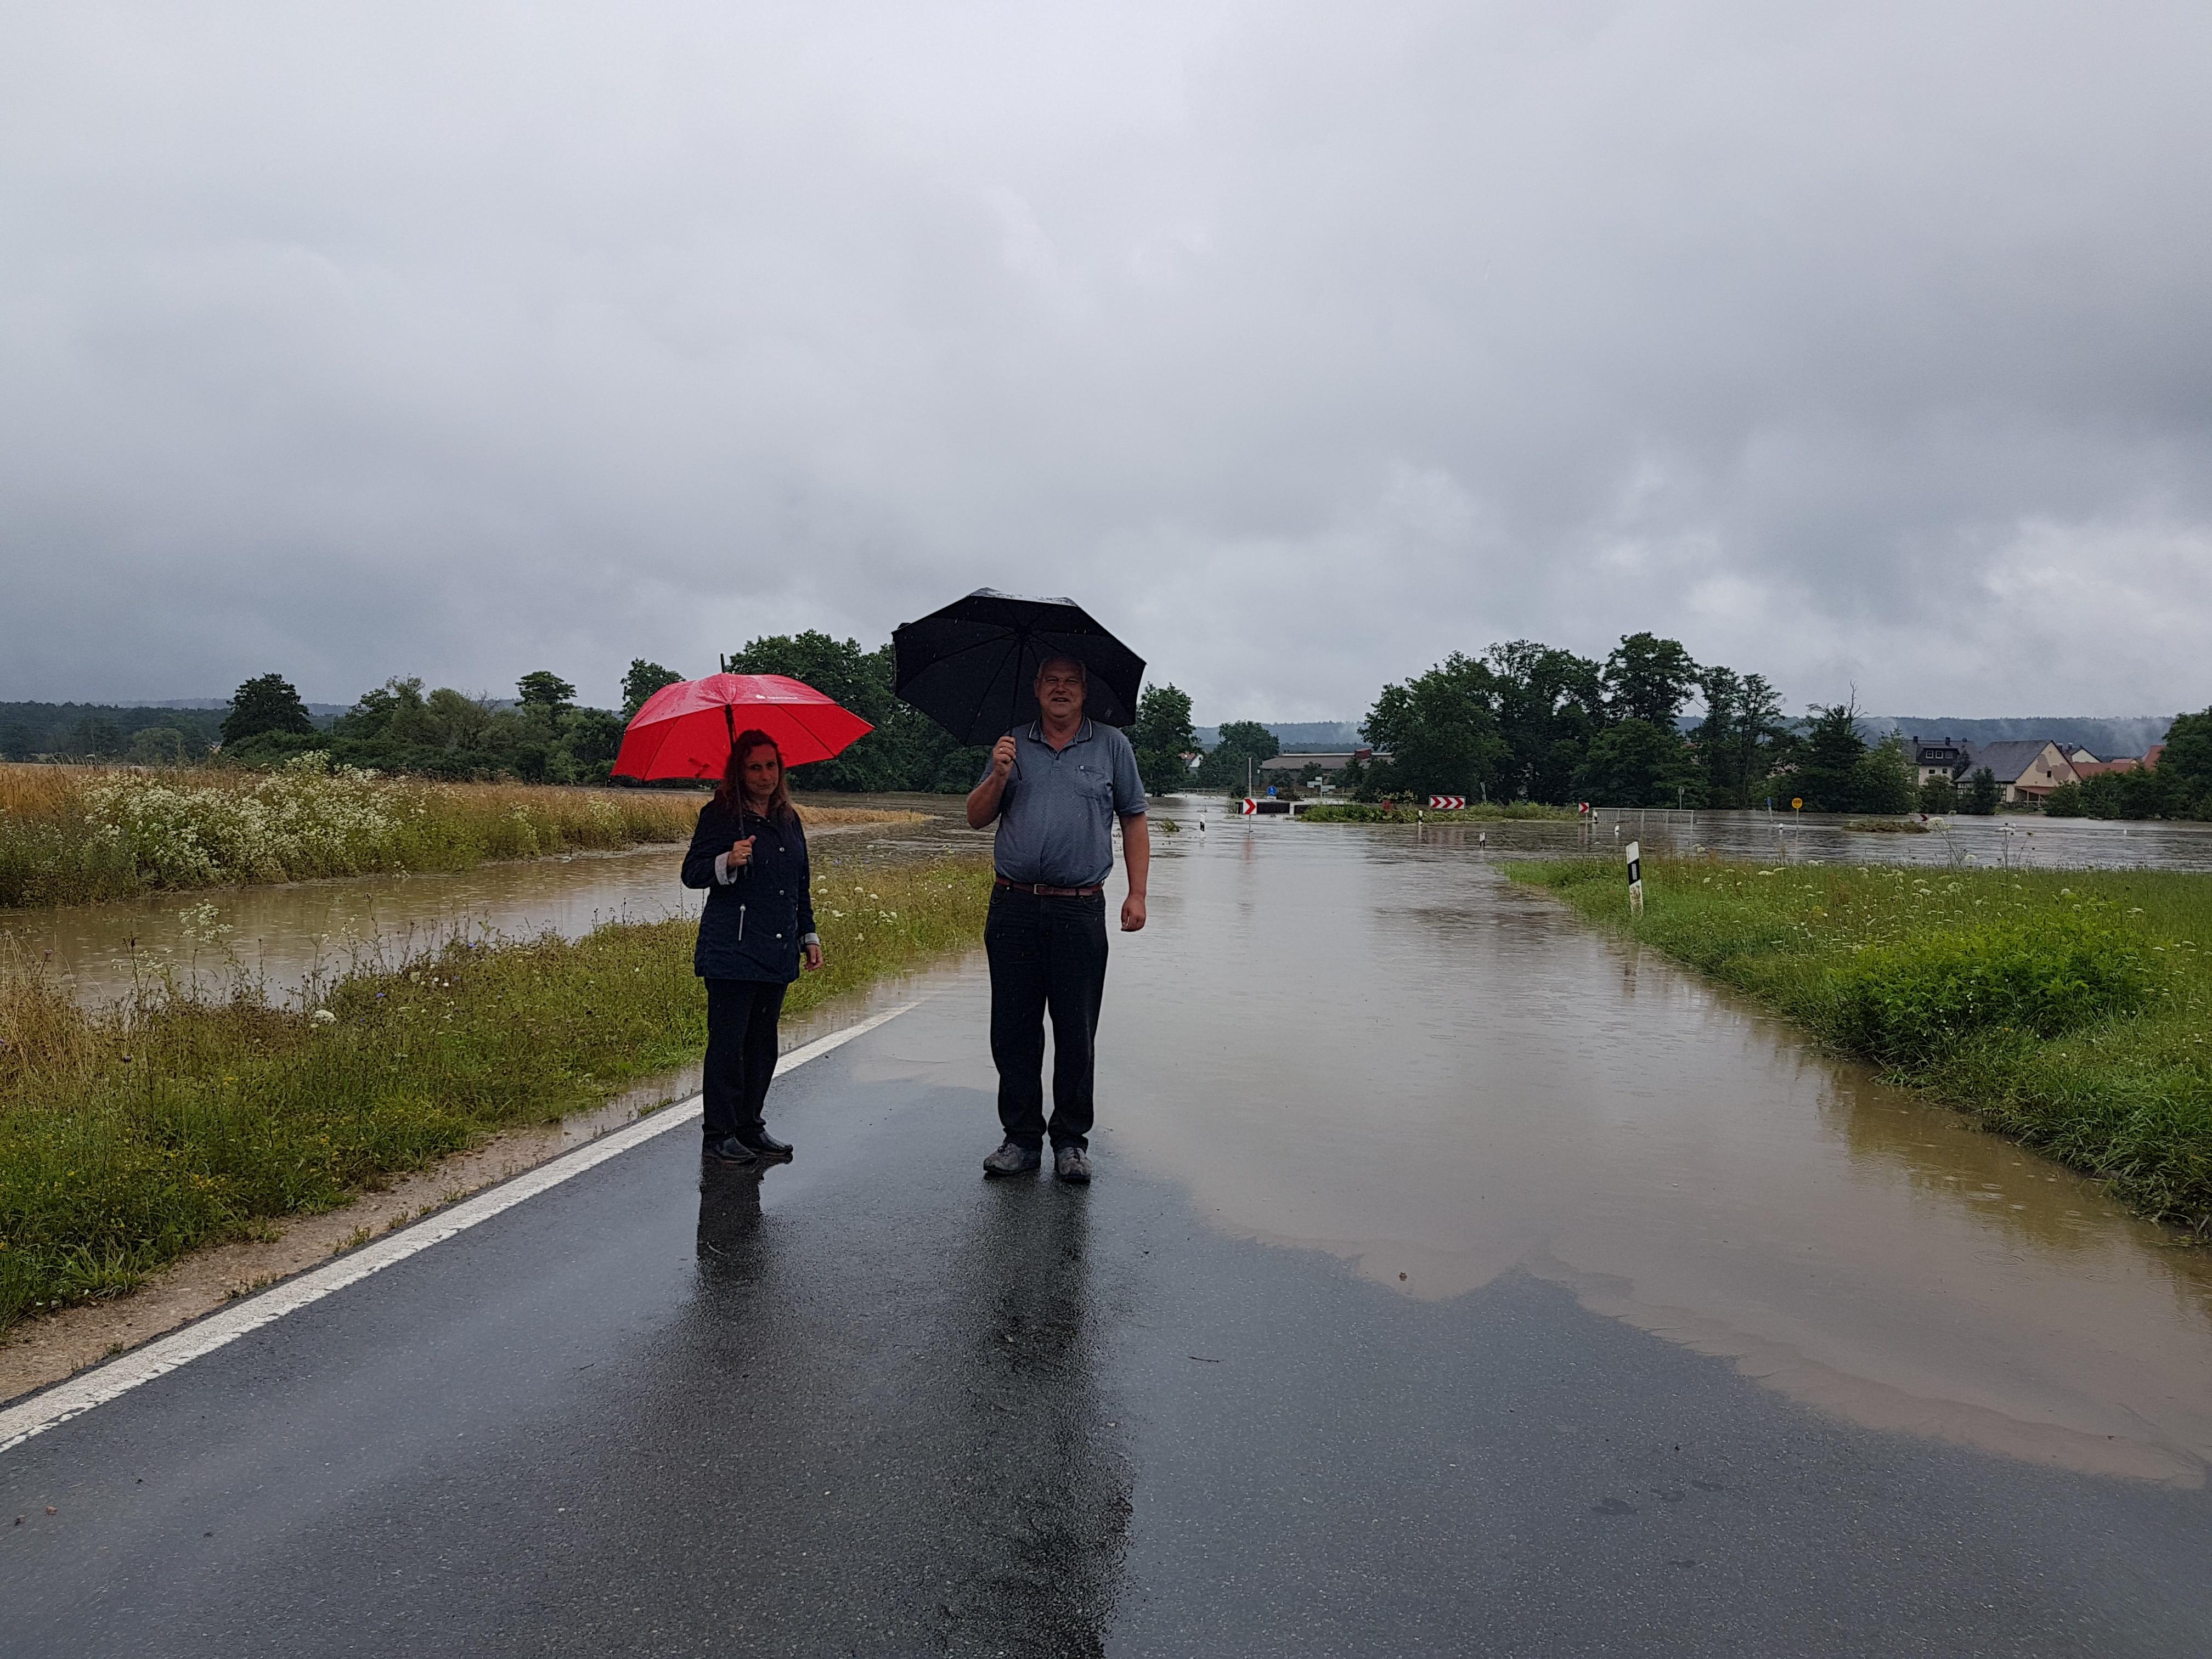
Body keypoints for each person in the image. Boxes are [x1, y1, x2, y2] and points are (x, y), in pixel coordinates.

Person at [966, 655, 1149, 1184]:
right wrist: (999, 775)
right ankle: (1020, 1139)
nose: (1061, 690)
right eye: (1052, 681)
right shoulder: (1011, 744)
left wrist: (1138, 894)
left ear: (1085, 691)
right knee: (1014, 1029)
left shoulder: (1112, 745)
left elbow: (1134, 819)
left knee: (1076, 1031)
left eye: (1071, 682)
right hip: (1014, 906)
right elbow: (977, 817)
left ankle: (1070, 1140)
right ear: (1037, 689)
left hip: (1080, 907)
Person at [681, 729, 823, 1166]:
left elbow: (799, 881)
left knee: (763, 1044)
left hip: (777, 947)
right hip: (732, 949)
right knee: (729, 1044)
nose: (764, 775)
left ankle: (750, 1126)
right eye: (754, 767)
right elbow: (692, 873)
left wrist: (809, 935)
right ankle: (718, 1134)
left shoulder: (787, 818)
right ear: (739, 772)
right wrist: (727, 861)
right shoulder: (720, 815)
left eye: (771, 766)